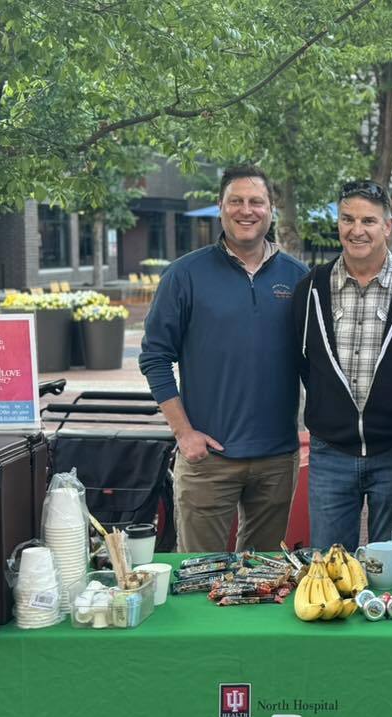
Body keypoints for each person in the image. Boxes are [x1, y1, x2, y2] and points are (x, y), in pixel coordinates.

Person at [139, 165, 308, 552]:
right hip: (208, 458)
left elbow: (313, 363)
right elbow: (154, 357)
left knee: (264, 578)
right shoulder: (185, 275)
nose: (246, 210)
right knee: (200, 577)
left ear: (271, 210)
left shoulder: (299, 278)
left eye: (256, 202)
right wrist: (184, 432)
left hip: (277, 459)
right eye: (236, 201)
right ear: (220, 207)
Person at [292, 180, 392, 551]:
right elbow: (303, 363)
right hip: (330, 452)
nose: (357, 230)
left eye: (368, 220)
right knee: (329, 566)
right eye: (347, 219)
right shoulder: (310, 289)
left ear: (387, 226)